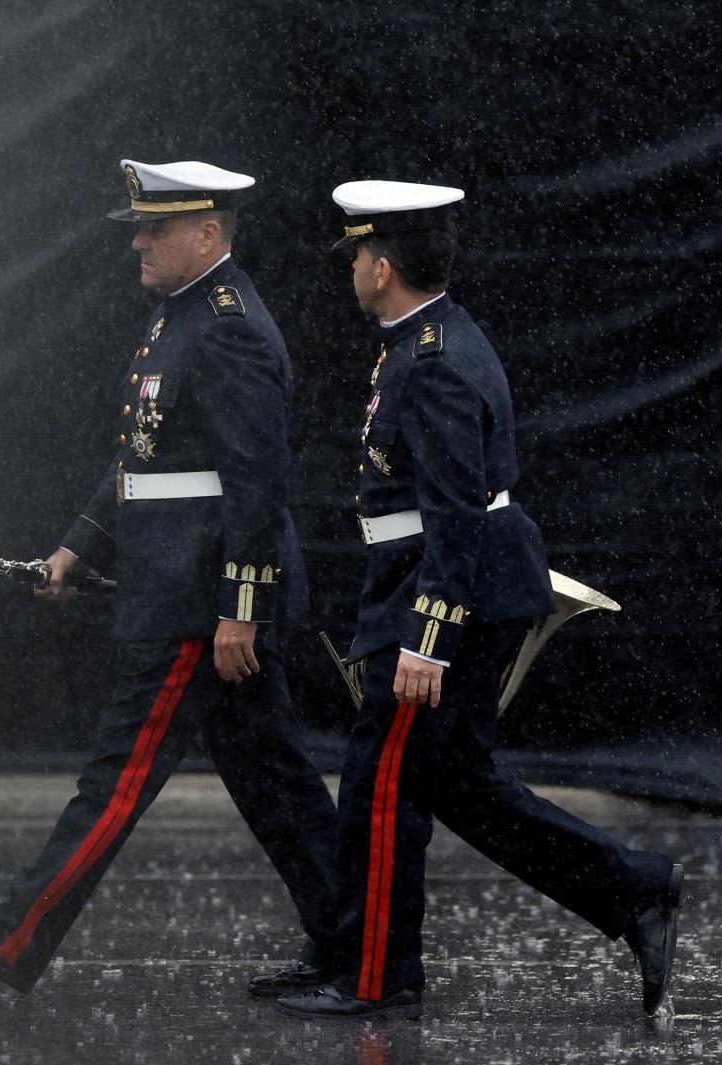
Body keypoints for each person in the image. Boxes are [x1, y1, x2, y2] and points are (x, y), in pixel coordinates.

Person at [0, 159, 340, 998]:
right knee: (278, 784)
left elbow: (256, 484)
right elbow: (144, 462)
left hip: (198, 601)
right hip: (177, 586)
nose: (139, 242)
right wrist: (79, 548)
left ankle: (15, 935)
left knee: (118, 777)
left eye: (156, 228)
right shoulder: (177, 318)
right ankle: (360, 943)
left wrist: (239, 609)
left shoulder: (227, 326)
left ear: (209, 233)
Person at [275, 180, 683, 1021]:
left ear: (383, 266)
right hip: (453, 590)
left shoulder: (430, 362)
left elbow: (455, 516)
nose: (350, 266)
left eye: (357, 253)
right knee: (458, 782)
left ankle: (379, 974)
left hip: (444, 600)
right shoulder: (426, 338)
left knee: (381, 784)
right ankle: (634, 888)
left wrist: (427, 639)